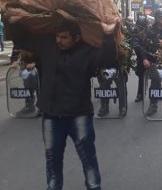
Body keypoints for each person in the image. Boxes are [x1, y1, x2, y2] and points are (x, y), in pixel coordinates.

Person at [15, 19, 117, 190]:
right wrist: (13, 19)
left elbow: (107, 60)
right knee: (52, 159)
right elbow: (21, 40)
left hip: (79, 115)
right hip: (51, 115)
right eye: (57, 36)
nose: (58, 40)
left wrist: (107, 35)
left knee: (88, 159)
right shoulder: (48, 47)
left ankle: (94, 187)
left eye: (64, 37)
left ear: (77, 38)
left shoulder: (88, 52)